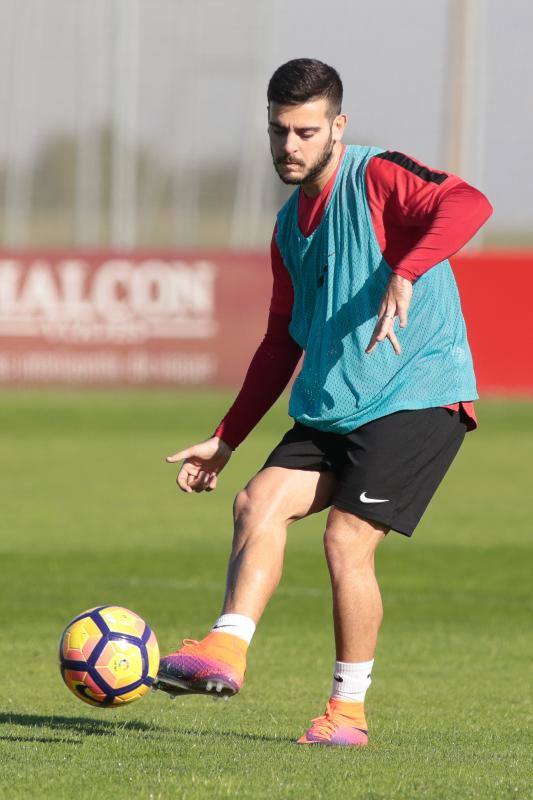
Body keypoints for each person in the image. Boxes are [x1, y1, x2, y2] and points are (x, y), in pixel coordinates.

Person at [156, 58, 492, 747]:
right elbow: (281, 341)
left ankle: (347, 713)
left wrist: (405, 269)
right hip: (337, 401)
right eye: (279, 131)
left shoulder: (375, 176)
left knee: (345, 540)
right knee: (255, 503)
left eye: (306, 131)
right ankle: (226, 646)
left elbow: (468, 203)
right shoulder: (287, 228)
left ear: (337, 126)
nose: (290, 146)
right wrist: (226, 437)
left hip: (416, 394)